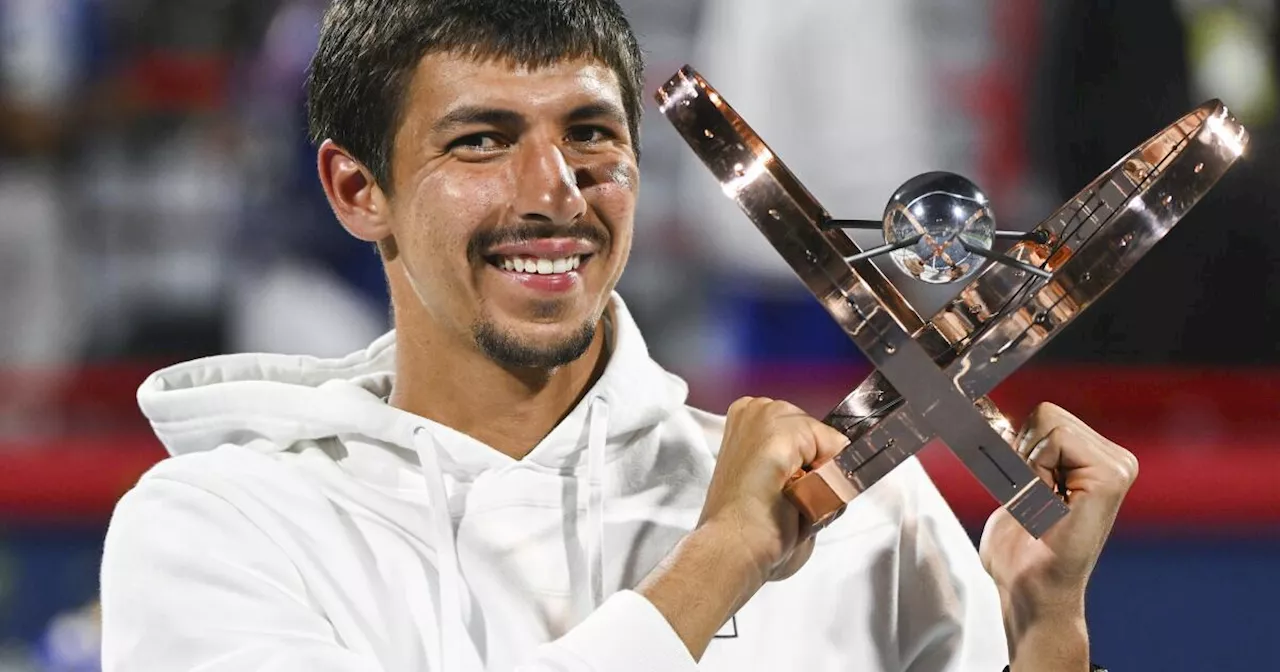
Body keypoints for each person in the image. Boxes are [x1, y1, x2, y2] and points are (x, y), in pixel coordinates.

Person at [98, 1, 1138, 670]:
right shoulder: (216, 527)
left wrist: (1044, 634)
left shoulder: (866, 510)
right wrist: (722, 556)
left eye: (589, 135)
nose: (554, 192)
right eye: (481, 141)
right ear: (356, 189)